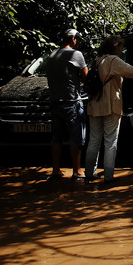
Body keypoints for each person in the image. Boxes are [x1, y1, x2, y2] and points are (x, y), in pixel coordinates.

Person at [85, 35, 133, 185]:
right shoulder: (113, 61)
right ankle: (108, 176)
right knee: (110, 141)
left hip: (94, 105)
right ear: (115, 47)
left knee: (94, 140)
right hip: (110, 105)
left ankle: (89, 174)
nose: (122, 50)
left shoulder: (96, 61)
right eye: (120, 47)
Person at [45, 28, 88, 180]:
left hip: (55, 102)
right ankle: (77, 171)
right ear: (73, 39)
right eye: (77, 40)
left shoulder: (51, 55)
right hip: (71, 102)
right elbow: (86, 77)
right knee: (76, 138)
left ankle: (55, 170)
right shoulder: (75, 54)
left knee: (56, 138)